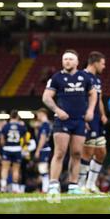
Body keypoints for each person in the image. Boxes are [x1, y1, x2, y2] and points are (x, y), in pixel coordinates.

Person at [42, 49, 97, 195]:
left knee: (77, 153)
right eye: (65, 59)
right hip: (62, 121)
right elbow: (46, 97)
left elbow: (93, 94)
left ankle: (73, 185)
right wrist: (57, 110)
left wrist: (90, 110)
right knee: (60, 152)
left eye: (70, 59)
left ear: (77, 62)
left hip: (79, 120)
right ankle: (54, 184)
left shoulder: (85, 77)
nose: (67, 61)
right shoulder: (56, 78)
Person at [78, 51, 108, 193]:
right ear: (95, 63)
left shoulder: (97, 80)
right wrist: (83, 117)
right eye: (102, 63)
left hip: (97, 119)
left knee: (101, 152)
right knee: (87, 151)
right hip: (87, 118)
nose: (104, 66)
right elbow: (80, 99)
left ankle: (90, 184)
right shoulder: (81, 76)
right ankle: (80, 184)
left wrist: (102, 114)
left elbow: (99, 98)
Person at [0, 110, 27, 193]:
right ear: (18, 117)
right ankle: (15, 187)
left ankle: (3, 186)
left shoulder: (5, 126)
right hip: (17, 148)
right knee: (16, 169)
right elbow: (25, 140)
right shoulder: (21, 126)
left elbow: (1, 141)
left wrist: (5, 146)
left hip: (7, 148)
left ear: (10, 116)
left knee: (5, 168)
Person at [34, 108, 53, 193]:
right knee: (43, 168)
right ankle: (45, 187)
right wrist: (36, 129)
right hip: (46, 148)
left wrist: (38, 150)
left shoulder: (45, 124)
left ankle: (45, 188)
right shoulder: (46, 124)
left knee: (43, 168)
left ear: (42, 113)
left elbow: (42, 138)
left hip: (44, 148)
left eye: (38, 114)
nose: (37, 116)